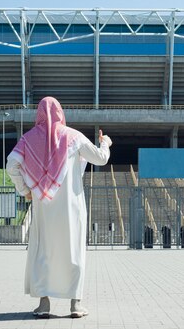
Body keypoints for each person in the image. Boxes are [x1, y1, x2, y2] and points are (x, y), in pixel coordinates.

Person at [6, 96, 111, 318]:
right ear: (60, 113)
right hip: (72, 206)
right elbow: (101, 159)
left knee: (44, 251)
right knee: (73, 250)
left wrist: (25, 189)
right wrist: (106, 142)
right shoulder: (74, 137)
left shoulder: (28, 139)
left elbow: (11, 164)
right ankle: (75, 305)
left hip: (44, 207)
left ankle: (44, 305)